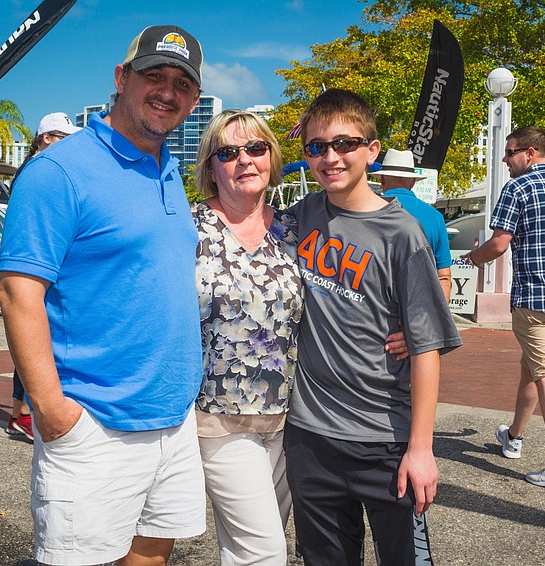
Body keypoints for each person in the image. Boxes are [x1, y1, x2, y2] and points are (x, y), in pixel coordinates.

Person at [0, 25, 206, 565]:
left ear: (194, 99)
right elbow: (19, 290)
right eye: (153, 75)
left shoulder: (168, 170)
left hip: (172, 418)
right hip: (93, 419)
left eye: (181, 83)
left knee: (152, 554)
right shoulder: (60, 170)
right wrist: (50, 409)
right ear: (121, 78)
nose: (167, 91)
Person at [192, 109, 409, 566]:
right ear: (211, 166)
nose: (245, 160)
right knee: (263, 552)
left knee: (248, 547)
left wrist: (405, 324)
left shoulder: (294, 226)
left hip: (295, 422)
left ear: (272, 157)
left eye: (256, 148)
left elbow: (348, 280)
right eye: (228, 152)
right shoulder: (188, 229)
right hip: (220, 419)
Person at [283, 88, 462, 565]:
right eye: (317, 147)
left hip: (384, 438)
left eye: (345, 143)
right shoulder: (301, 216)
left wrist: (421, 449)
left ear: (372, 150)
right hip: (310, 435)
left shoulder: (403, 233)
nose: (330, 157)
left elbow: (426, 347)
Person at [462, 126, 545, 490]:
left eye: (509, 152)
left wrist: (473, 258)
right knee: (534, 368)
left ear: (530, 153)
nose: (505, 159)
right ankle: (514, 437)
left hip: (533, 299)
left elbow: (499, 244)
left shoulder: (517, 188)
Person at [4, 112, 81, 441]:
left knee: (34, 338)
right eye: (63, 138)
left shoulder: (41, 170)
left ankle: (19, 411)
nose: (69, 146)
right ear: (46, 137)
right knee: (34, 339)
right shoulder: (38, 173)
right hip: (38, 274)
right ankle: (24, 413)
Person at [372, 148, 452, 302]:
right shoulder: (435, 217)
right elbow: (444, 276)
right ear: (413, 182)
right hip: (420, 308)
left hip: (376, 307)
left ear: (382, 179)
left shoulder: (367, 211)